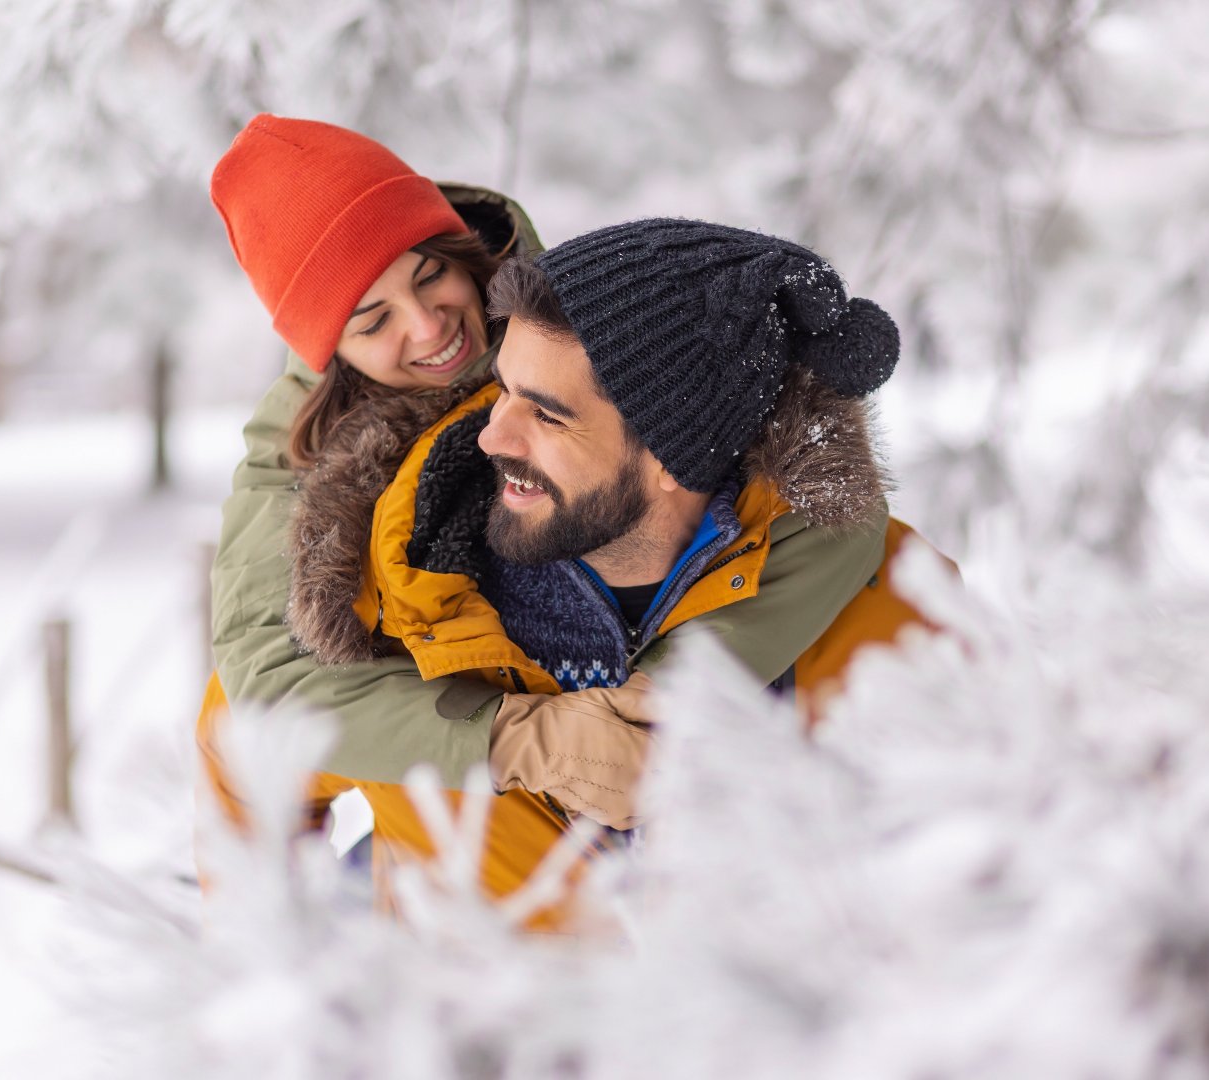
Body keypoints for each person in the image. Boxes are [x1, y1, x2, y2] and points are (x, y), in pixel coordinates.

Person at [197, 118, 890, 857]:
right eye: (374, 322)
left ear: (461, 245)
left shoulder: (581, 313)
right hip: (474, 715)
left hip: (644, 638)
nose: (430, 327)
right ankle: (269, 952)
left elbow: (828, 490)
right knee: (228, 729)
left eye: (432, 274)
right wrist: (527, 741)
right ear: (326, 351)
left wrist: (655, 704)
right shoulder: (300, 442)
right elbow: (264, 672)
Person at [274, 217, 946, 929]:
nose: (491, 434)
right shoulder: (389, 612)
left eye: (548, 415)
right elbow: (244, 791)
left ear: (672, 459)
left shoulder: (900, 610)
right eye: (503, 389)